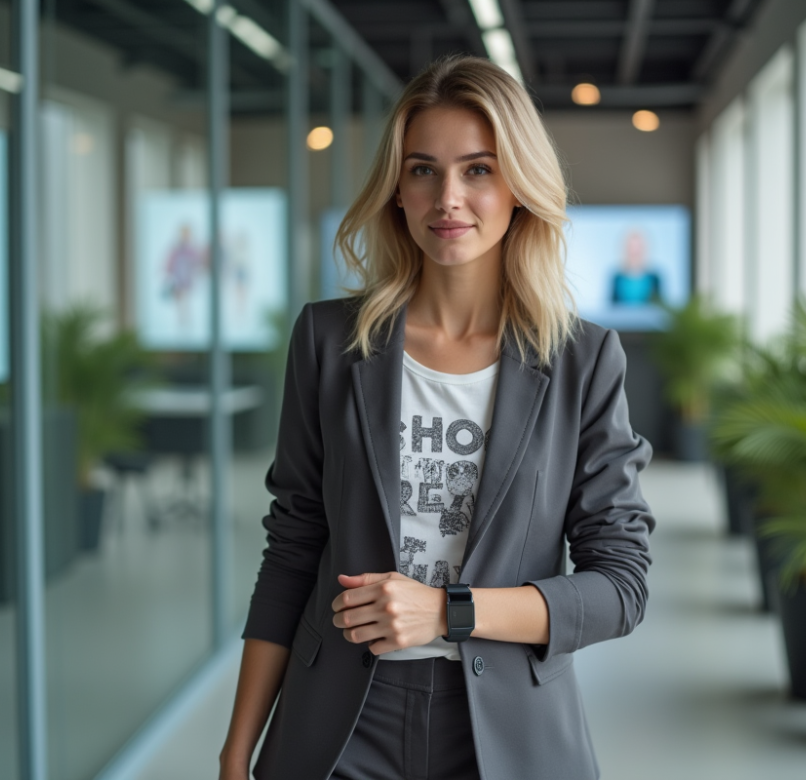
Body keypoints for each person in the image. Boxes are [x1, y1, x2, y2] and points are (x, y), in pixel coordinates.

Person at [221, 55, 654, 780]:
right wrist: (239, 750)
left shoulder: (582, 360)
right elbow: (294, 546)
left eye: (478, 170)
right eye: (423, 170)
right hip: (339, 721)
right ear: (396, 188)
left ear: (519, 185)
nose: (447, 198)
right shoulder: (330, 342)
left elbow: (621, 586)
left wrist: (449, 611)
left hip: (507, 727)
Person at [611, 228, 663, 305]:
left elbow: (659, 307)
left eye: (638, 247)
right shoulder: (617, 278)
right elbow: (612, 307)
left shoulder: (654, 278)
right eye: (631, 247)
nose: (635, 251)